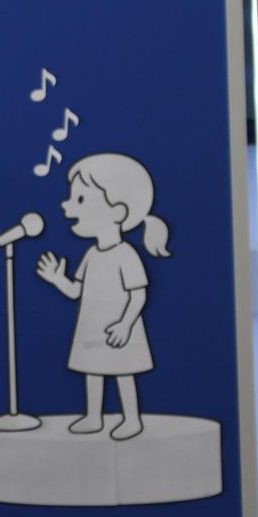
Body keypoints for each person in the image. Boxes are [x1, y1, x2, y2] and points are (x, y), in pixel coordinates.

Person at [36, 153, 171, 441]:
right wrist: (58, 279)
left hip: (119, 329)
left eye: (81, 199)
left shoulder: (126, 254)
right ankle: (93, 416)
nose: (67, 205)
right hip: (91, 326)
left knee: (123, 371)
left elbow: (138, 294)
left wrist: (125, 324)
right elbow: (76, 291)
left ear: (118, 212)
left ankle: (131, 418)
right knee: (92, 369)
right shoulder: (91, 254)